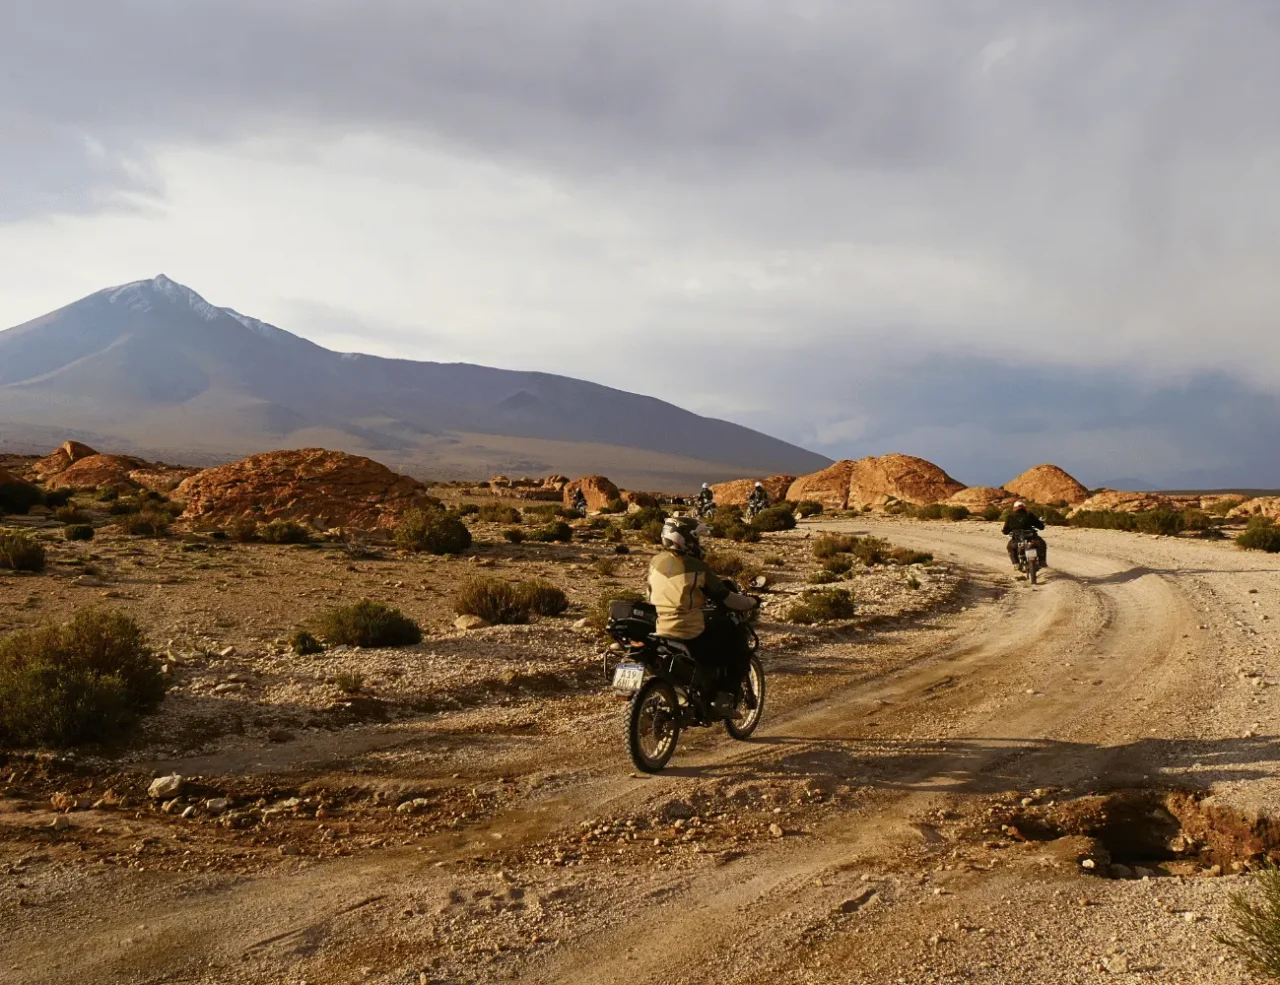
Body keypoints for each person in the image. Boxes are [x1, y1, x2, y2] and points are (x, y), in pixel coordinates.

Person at [648, 516, 757, 716]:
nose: (699, 543)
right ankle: (723, 699)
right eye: (696, 538)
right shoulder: (696, 566)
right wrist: (751, 602)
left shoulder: (655, 562)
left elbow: (651, 593)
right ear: (686, 539)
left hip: (659, 627)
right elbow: (724, 597)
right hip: (687, 631)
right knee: (734, 638)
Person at [1002, 500, 1047, 568]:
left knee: (1010, 547)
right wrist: (1041, 525)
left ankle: (1016, 563)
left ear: (1015, 508)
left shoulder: (1010, 516)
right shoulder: (1029, 514)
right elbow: (1040, 526)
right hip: (1031, 536)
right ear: (1025, 507)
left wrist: (1006, 531)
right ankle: (1042, 561)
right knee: (1042, 543)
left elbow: (1005, 531)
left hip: (1017, 538)